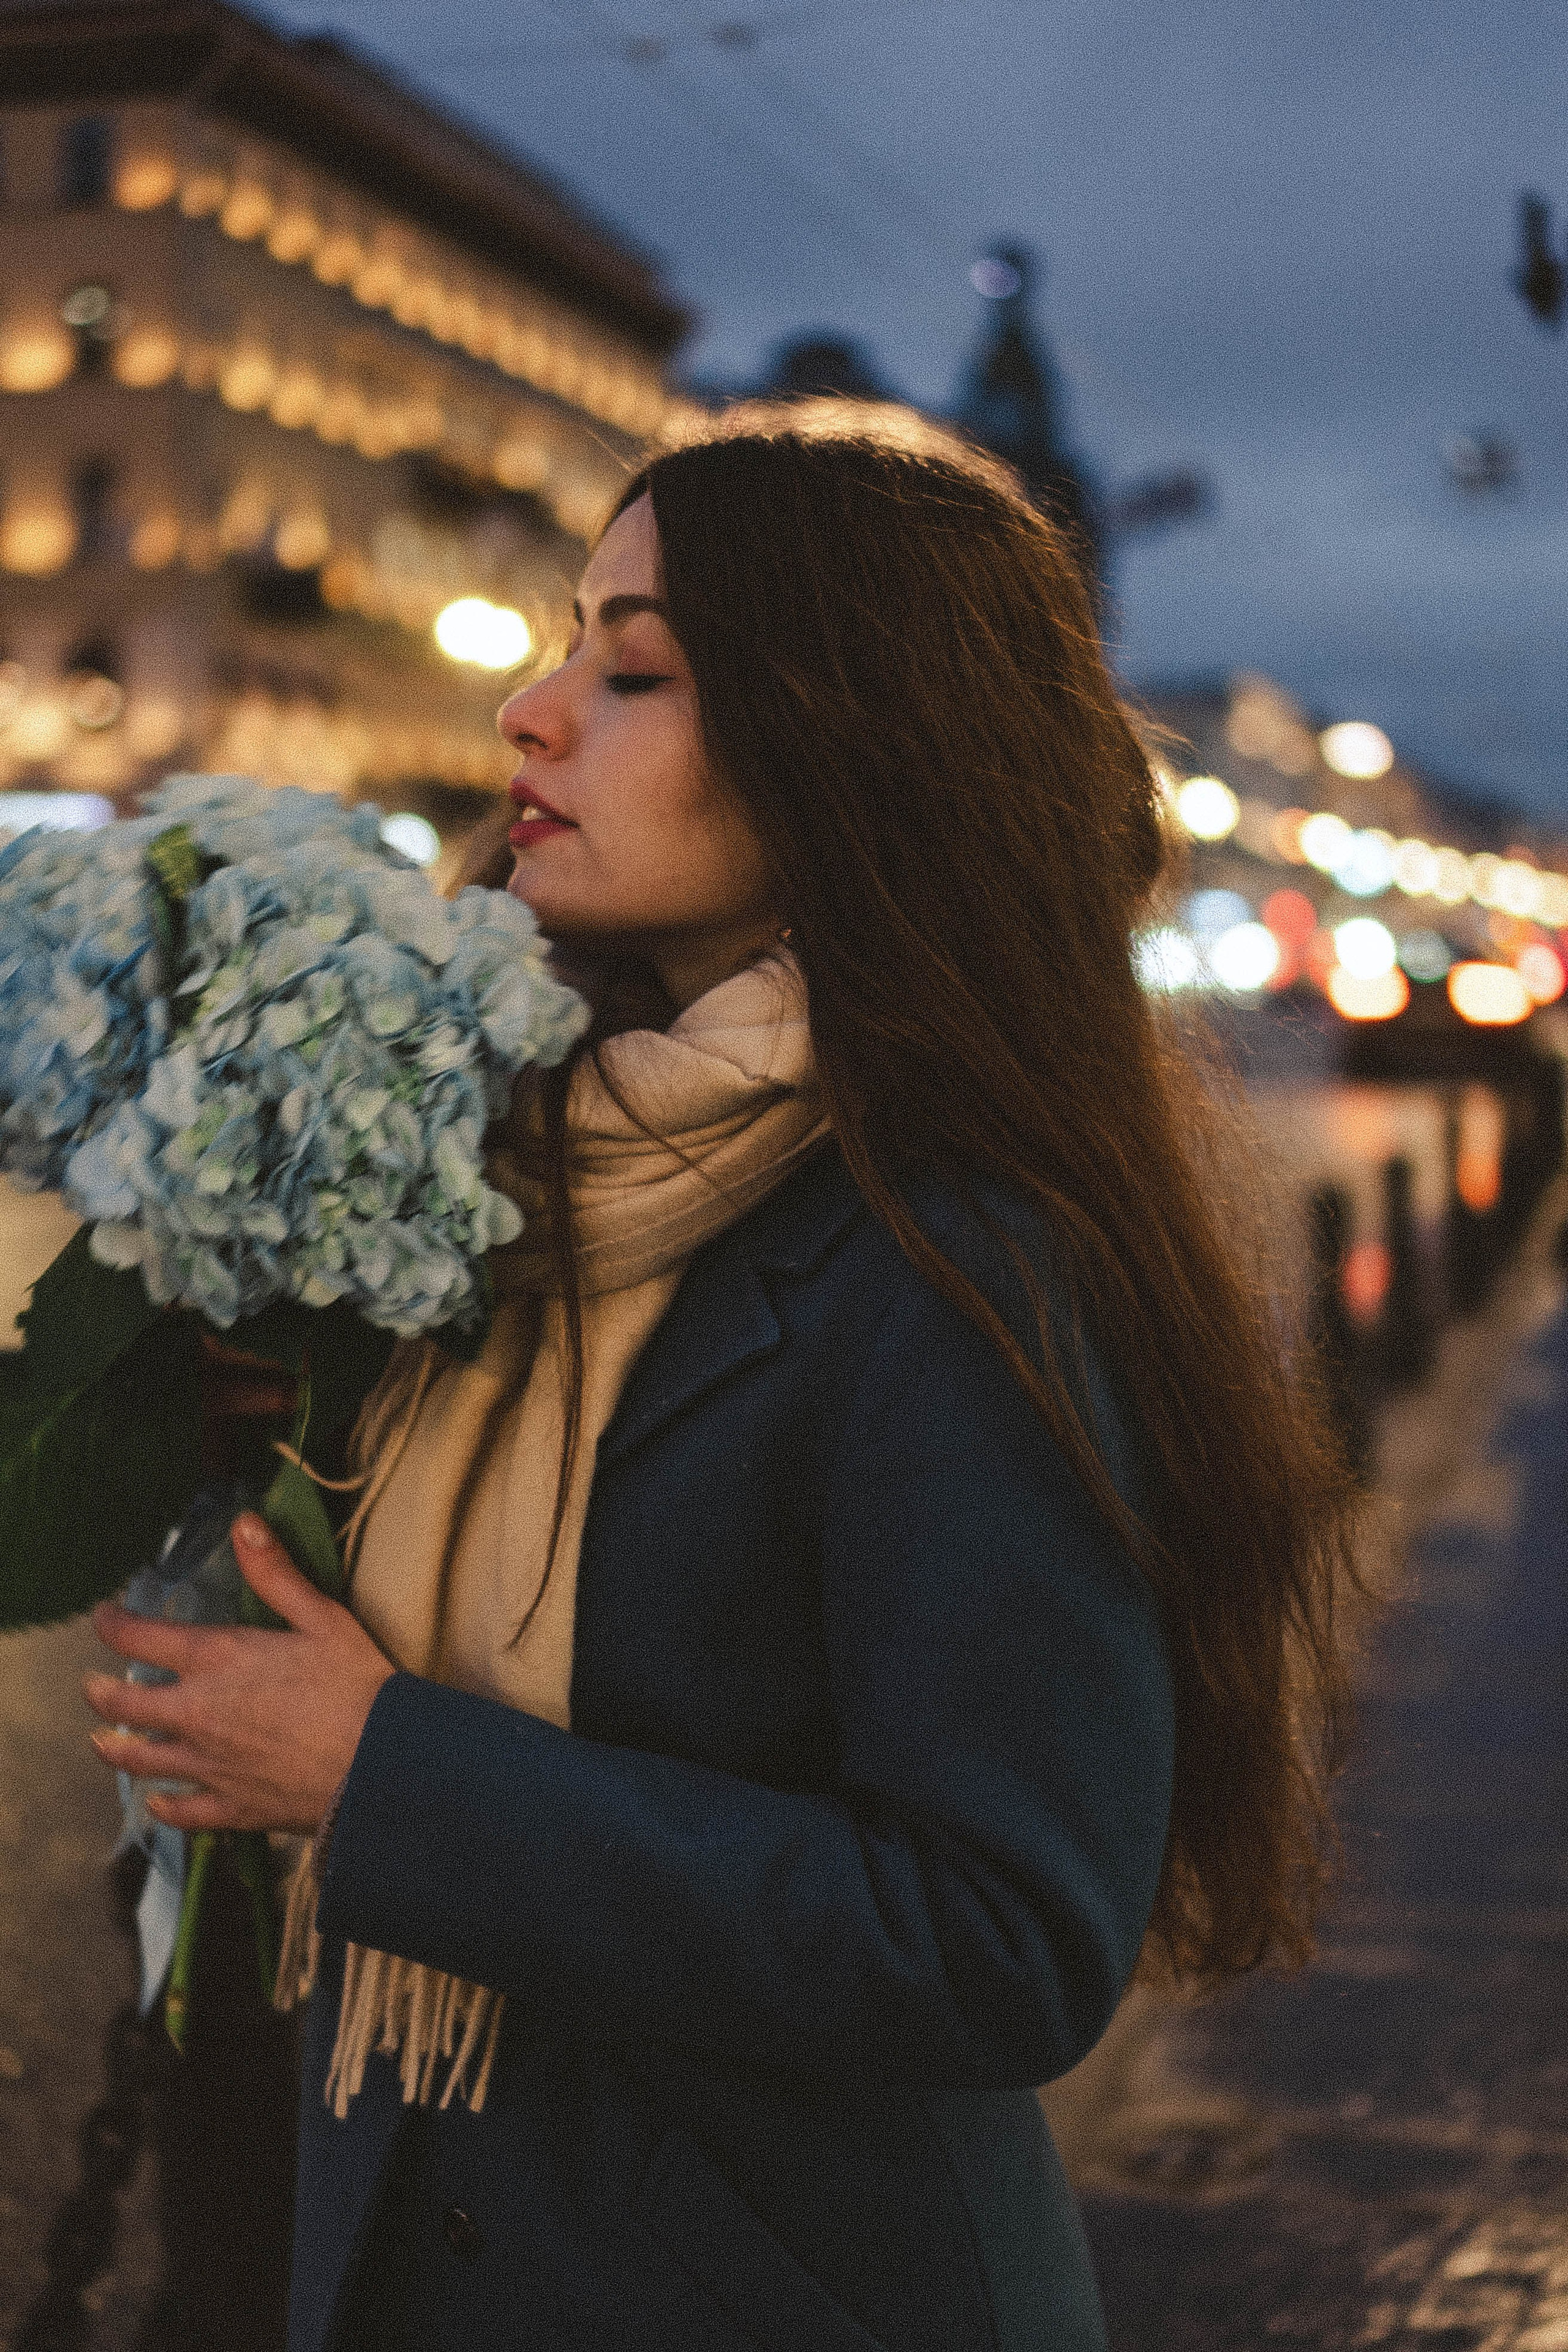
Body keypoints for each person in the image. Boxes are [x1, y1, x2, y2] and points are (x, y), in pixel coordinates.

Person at [85, 406, 1364, 2352]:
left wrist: (376, 1768)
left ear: (851, 740)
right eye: (560, 643)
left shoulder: (958, 1254)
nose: (530, 712)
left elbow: (1000, 1942)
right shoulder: (521, 1178)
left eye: (635, 670)